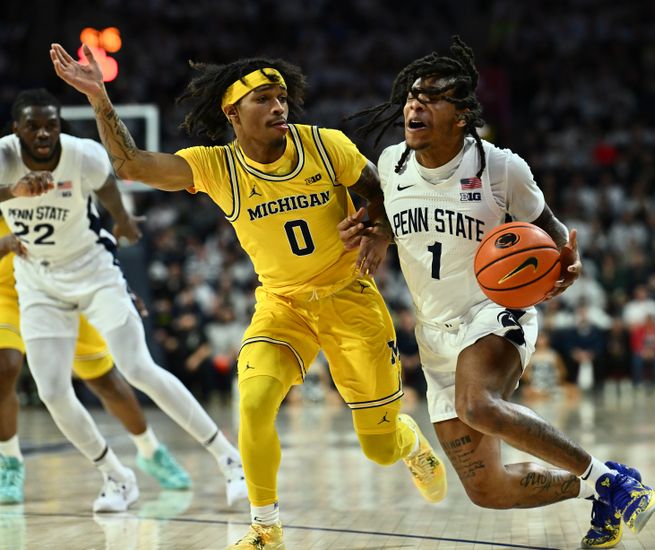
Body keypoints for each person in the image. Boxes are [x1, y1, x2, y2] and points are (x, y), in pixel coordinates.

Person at [51, 44, 447, 549]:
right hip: (282, 306)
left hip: (349, 298)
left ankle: (409, 442)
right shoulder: (218, 167)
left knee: (380, 450)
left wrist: (379, 231)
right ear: (232, 112)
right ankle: (266, 528)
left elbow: (381, 192)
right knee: (254, 402)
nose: (279, 107)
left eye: (282, 97)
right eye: (264, 99)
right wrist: (99, 97)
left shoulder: (326, 146)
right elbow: (129, 166)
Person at [341, 37, 655, 549]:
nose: (414, 105)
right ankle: (595, 489)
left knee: (479, 404)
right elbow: (387, 208)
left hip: (494, 313)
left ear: (463, 115)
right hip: (434, 333)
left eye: (431, 97)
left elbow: (552, 230)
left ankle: (612, 482)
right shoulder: (392, 164)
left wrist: (568, 261)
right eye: (410, 96)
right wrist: (377, 229)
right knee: (487, 489)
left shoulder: (500, 167)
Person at [0, 88, 246, 512]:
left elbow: (111, 196)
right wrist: (13, 191)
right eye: (33, 126)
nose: (43, 133)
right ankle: (116, 476)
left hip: (93, 274)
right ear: (16, 130)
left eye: (51, 125)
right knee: (52, 391)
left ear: (60, 125)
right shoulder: (4, 157)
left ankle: (230, 460)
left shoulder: (84, 155)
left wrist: (125, 221)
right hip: (38, 282)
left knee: (135, 367)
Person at [0, 219, 191, 503]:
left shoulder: (47, 182)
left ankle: (150, 451)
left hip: (58, 285)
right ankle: (10, 462)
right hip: (5, 294)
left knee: (106, 380)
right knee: (4, 366)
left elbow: (90, 235)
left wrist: (120, 285)